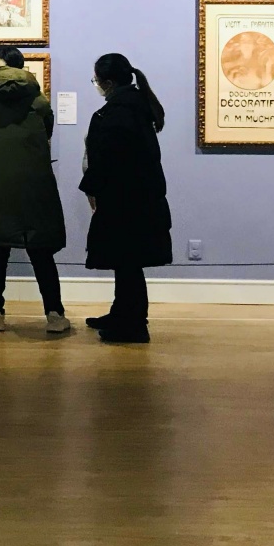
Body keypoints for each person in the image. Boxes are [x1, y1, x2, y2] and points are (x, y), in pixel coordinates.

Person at [0, 46, 69, 334]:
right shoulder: (34, 92)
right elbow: (47, 126)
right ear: (22, 67)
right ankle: (54, 314)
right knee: (40, 249)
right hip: (32, 176)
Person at [79, 53, 172, 343]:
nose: (96, 85)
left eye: (96, 80)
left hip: (124, 200)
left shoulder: (117, 114)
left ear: (107, 82)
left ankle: (134, 324)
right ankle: (122, 313)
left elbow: (107, 159)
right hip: (139, 197)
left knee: (127, 261)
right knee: (127, 262)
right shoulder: (138, 106)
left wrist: (91, 189)